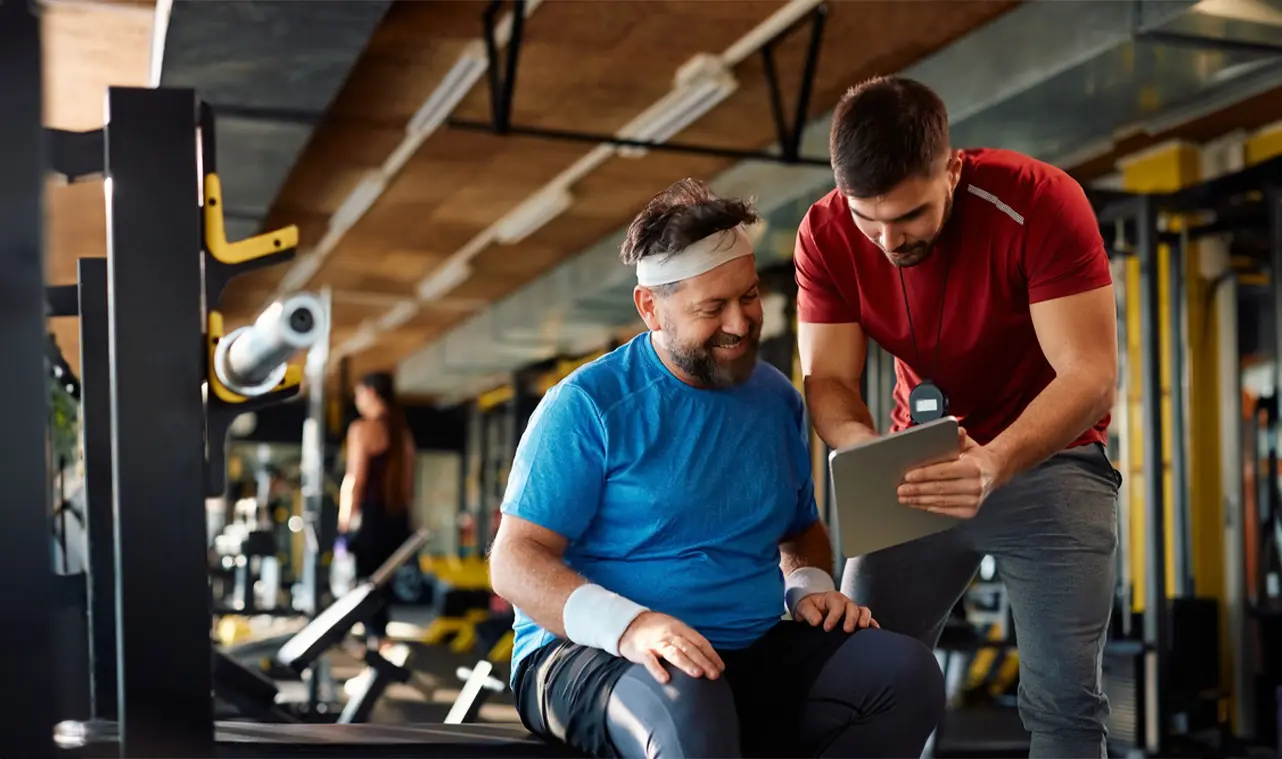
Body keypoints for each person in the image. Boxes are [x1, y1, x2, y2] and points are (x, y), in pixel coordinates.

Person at [489, 179, 945, 759]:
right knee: (691, 708)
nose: (740, 322)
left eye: (749, 297)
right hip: (592, 654)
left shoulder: (775, 401)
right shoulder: (589, 406)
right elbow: (514, 560)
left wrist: (808, 587)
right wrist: (632, 627)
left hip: (744, 649)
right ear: (650, 307)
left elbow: (799, 531)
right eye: (712, 308)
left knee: (904, 676)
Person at [794, 75, 1122, 758]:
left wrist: (995, 460)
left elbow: (1089, 376)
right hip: (920, 465)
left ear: (951, 167)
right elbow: (827, 376)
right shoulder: (825, 233)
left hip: (1049, 457)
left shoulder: (1038, 201)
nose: (886, 240)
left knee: (1064, 701)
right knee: (860, 679)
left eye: (909, 216)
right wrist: (866, 453)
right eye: (867, 217)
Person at [339, 371, 416, 649]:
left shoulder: (362, 428)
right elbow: (407, 489)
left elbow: (355, 479)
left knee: (364, 587)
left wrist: (344, 522)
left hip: (369, 520)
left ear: (371, 393)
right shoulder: (403, 435)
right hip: (396, 521)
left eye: (358, 394)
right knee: (380, 588)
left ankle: (378, 645)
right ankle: (379, 644)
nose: (358, 401)